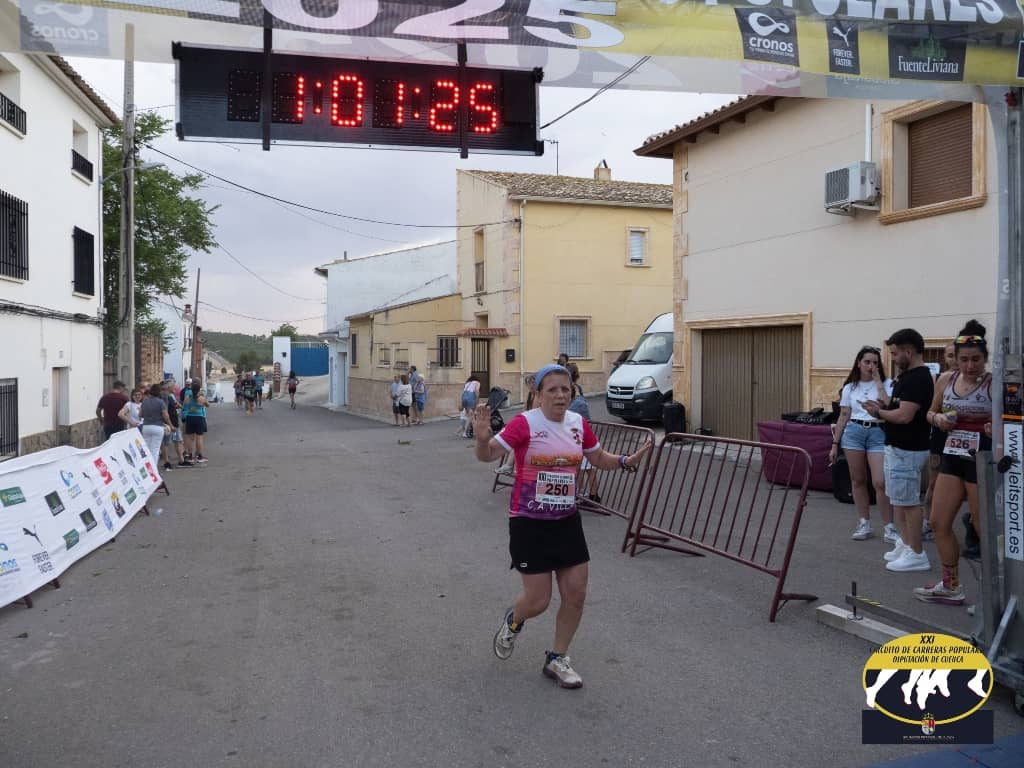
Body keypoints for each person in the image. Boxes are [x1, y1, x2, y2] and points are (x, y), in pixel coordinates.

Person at [472, 364, 651, 689]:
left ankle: (557, 658)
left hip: (567, 521)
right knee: (538, 601)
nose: (560, 395)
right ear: (538, 394)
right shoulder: (525, 423)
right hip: (529, 522)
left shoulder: (578, 424)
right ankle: (514, 620)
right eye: (552, 389)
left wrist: (625, 461)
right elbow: (487, 455)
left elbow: (598, 458)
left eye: (565, 389)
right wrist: (482, 440)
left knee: (576, 595)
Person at [915, 322, 992, 605]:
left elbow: (1013, 421)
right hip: (952, 455)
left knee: (983, 529)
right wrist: (939, 420)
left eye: (976, 359)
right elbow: (929, 413)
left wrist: (995, 429)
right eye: (964, 359)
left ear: (985, 358)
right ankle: (951, 586)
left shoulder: (994, 383)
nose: (970, 366)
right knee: (939, 522)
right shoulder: (946, 380)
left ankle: (995, 595)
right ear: (955, 359)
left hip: (981, 459)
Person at [863, 329, 935, 573]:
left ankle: (917, 553)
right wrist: (880, 398)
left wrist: (878, 413)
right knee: (900, 501)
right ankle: (906, 543)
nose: (892, 359)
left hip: (907, 449)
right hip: (899, 448)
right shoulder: (908, 377)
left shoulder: (917, 379)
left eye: (894, 354)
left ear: (909, 351)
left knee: (908, 503)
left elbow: (904, 416)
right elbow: (894, 405)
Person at [829, 346, 896, 542]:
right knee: (858, 480)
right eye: (867, 362)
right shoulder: (850, 387)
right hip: (854, 432)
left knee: (880, 482)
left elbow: (889, 404)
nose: (871, 366)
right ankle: (864, 523)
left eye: (875, 362)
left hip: (878, 430)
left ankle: (889, 526)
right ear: (859, 363)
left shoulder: (887, 383)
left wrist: (878, 380)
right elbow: (843, 415)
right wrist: (835, 444)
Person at [923, 342, 958, 540]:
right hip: (941, 435)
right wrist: (939, 419)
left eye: (957, 355)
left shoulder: (978, 380)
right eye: (950, 356)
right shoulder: (939, 379)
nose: (955, 360)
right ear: (944, 357)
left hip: (967, 437)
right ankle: (927, 522)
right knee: (934, 481)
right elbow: (930, 410)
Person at [139, 383, 172, 467]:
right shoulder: (160, 402)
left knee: (146, 448)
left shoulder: (145, 401)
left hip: (146, 426)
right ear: (159, 392)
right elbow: (166, 416)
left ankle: (146, 467)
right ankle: (153, 469)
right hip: (158, 426)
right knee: (155, 449)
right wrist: (170, 425)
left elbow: (140, 414)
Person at [181, 378, 209, 463]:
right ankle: (199, 456)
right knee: (199, 437)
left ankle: (190, 456)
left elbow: (185, 404)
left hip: (190, 417)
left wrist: (191, 408)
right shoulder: (201, 396)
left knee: (190, 438)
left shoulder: (188, 395)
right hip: (199, 417)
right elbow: (207, 405)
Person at [162, 381, 185, 469]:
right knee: (167, 442)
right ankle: (167, 462)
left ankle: (181, 460)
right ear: (169, 387)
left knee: (177, 441)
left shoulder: (169, 395)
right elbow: (167, 410)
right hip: (170, 422)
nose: (174, 388)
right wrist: (170, 424)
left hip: (173, 422)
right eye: (173, 386)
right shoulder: (167, 396)